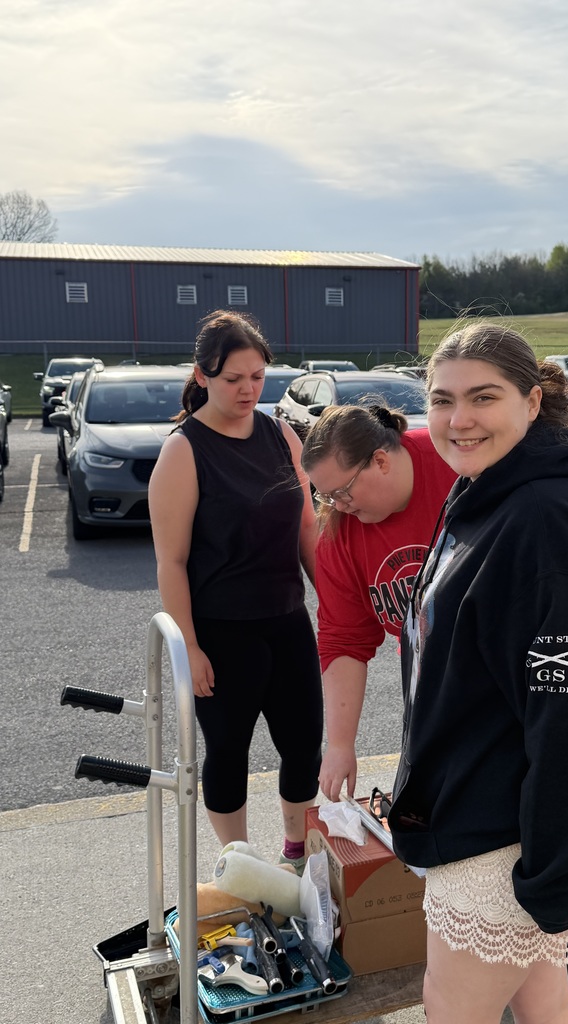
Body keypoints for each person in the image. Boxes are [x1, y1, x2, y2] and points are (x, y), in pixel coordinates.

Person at [387, 321, 568, 1024]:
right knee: (543, 1001)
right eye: (441, 399)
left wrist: (552, 875)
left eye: (482, 397)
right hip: (480, 806)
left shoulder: (544, 518)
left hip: (512, 836)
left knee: (452, 1010)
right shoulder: (482, 492)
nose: (458, 419)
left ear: (532, 402)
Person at [148, 310, 321, 870]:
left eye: (257, 376)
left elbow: (306, 527)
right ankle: (240, 866)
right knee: (228, 753)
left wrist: (336, 604)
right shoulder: (184, 450)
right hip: (222, 634)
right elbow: (171, 562)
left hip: (288, 621)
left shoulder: (281, 434)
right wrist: (190, 647)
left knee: (303, 746)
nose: (248, 390)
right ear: (201, 376)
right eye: (233, 380)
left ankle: (295, 854)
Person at [300, 404, 457, 803]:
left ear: (381, 461)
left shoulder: (454, 464)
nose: (338, 505)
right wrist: (339, 744)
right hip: (432, 688)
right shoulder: (339, 532)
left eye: (342, 492)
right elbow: (343, 639)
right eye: (325, 495)